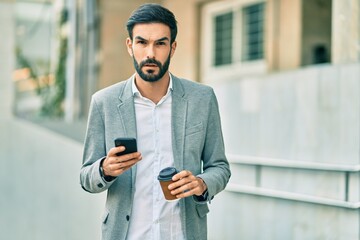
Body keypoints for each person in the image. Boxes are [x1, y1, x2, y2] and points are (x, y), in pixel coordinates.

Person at [80, 3, 231, 240]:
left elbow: (220, 167)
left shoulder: (202, 98)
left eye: (160, 43)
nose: (150, 53)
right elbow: (86, 176)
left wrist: (201, 183)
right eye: (142, 42)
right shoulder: (104, 102)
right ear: (130, 46)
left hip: (183, 234)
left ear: (172, 48)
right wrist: (105, 169)